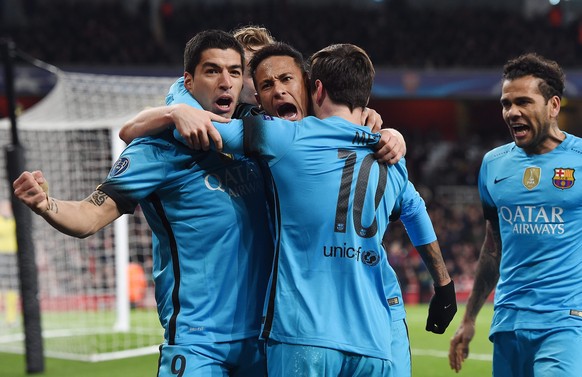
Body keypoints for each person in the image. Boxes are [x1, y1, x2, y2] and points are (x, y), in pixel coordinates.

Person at [125, 41, 455, 377]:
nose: (278, 91)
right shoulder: (380, 151)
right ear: (252, 95)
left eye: (286, 80)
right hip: (368, 336)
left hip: (337, 323)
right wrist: (444, 285)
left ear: (313, 87)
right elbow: (415, 210)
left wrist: (172, 106)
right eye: (264, 85)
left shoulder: (286, 138)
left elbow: (201, 129)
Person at [13, 30, 274, 377]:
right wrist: (47, 204)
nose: (226, 82)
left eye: (235, 72)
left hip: (268, 338)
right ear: (189, 80)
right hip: (200, 343)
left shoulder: (264, 142)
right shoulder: (158, 148)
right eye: (212, 71)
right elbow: (89, 216)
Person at [449, 53, 582, 376]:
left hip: (563, 321)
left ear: (553, 105)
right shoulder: (493, 164)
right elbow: (493, 248)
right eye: (506, 104)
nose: (512, 112)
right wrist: (468, 320)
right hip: (508, 322)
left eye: (523, 102)